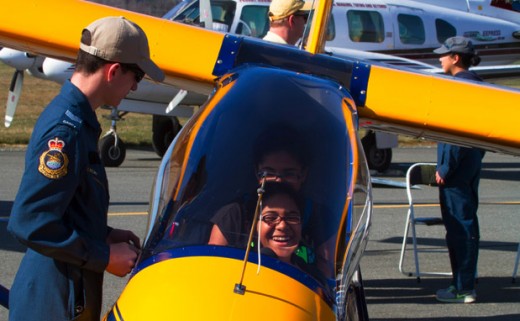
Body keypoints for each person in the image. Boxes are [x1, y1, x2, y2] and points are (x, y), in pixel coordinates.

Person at [7, 16, 165, 321]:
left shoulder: (76, 120)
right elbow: (30, 221)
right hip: (53, 304)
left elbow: (65, 208)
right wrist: (104, 256)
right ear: (114, 70)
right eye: (137, 76)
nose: (134, 87)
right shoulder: (66, 132)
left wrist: (102, 234)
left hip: (64, 296)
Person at [432, 36, 486, 304]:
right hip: (471, 163)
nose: (439, 59)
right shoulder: (478, 85)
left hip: (456, 170)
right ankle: (465, 281)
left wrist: (445, 167)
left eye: (444, 55)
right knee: (466, 224)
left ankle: (463, 288)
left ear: (455, 58)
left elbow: (455, 134)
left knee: (458, 227)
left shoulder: (458, 87)